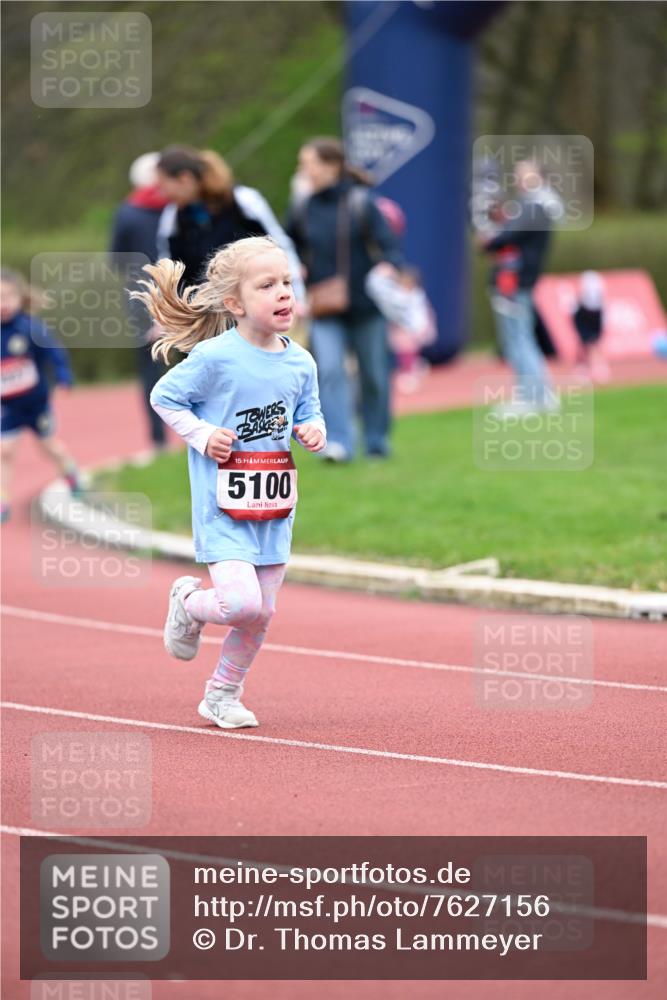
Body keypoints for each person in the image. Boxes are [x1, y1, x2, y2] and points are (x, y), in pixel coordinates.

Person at [132, 236, 326, 729]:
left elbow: (310, 414)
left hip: (275, 507)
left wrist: (312, 431)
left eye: (287, 282)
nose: (283, 293)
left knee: (259, 614)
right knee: (241, 604)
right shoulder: (215, 357)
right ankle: (190, 603)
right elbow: (165, 398)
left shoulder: (301, 361)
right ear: (236, 303)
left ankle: (222, 693)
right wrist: (201, 435)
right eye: (268, 285)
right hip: (223, 507)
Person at [286, 137, 404, 460]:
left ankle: (377, 441)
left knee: (375, 375)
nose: (303, 170)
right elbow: (288, 246)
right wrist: (294, 276)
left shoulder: (361, 202)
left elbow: (390, 247)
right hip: (324, 307)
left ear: (331, 166)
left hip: (367, 307)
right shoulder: (302, 206)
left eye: (307, 163)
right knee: (330, 372)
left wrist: (388, 267)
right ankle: (338, 442)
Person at [154, 145, 304, 300]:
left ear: (184, 179)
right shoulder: (172, 217)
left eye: (163, 186)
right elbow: (168, 271)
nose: (161, 194)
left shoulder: (244, 201)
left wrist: (297, 296)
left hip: (255, 306)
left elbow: (280, 246)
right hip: (203, 314)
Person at [1, 269, 83, 522]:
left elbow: (54, 352)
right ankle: (3, 500)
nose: (2, 304)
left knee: (49, 446)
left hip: (36, 404)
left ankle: (69, 470)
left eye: (7, 297)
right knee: (4, 451)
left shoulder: (29, 328)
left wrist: (63, 377)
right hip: (9, 408)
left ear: (19, 297)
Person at [479, 159, 557, 415]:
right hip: (516, 282)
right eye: (518, 174)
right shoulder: (533, 206)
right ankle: (540, 394)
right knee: (521, 338)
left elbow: (508, 237)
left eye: (525, 174)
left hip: (514, 282)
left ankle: (531, 397)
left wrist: (491, 240)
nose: (519, 179)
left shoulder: (535, 207)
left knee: (518, 339)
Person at [109, 152, 170, 459]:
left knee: (150, 367)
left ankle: (159, 441)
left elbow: (117, 260)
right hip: (183, 291)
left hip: (140, 294)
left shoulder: (126, 212)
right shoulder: (179, 207)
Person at [571, 270, 610, 384]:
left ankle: (598, 368)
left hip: (593, 315)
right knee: (585, 344)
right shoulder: (582, 301)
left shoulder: (598, 299)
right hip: (584, 315)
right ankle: (584, 368)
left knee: (593, 344)